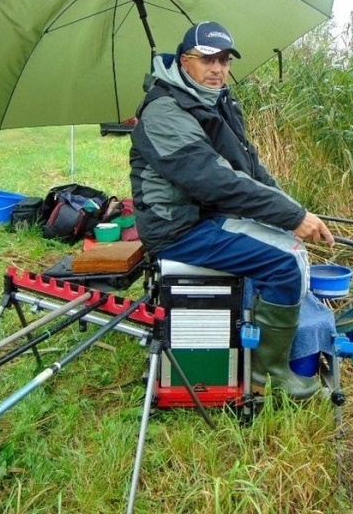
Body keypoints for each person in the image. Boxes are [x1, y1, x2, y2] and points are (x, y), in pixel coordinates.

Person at [129, 21, 334, 399]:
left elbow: (248, 167)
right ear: (184, 60)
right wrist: (290, 218)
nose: (217, 69)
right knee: (286, 263)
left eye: (224, 60)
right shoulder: (164, 111)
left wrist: (292, 210)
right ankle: (268, 376)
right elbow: (213, 180)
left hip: (205, 214)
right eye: (207, 59)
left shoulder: (214, 99)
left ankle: (263, 343)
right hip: (177, 229)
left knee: (289, 244)